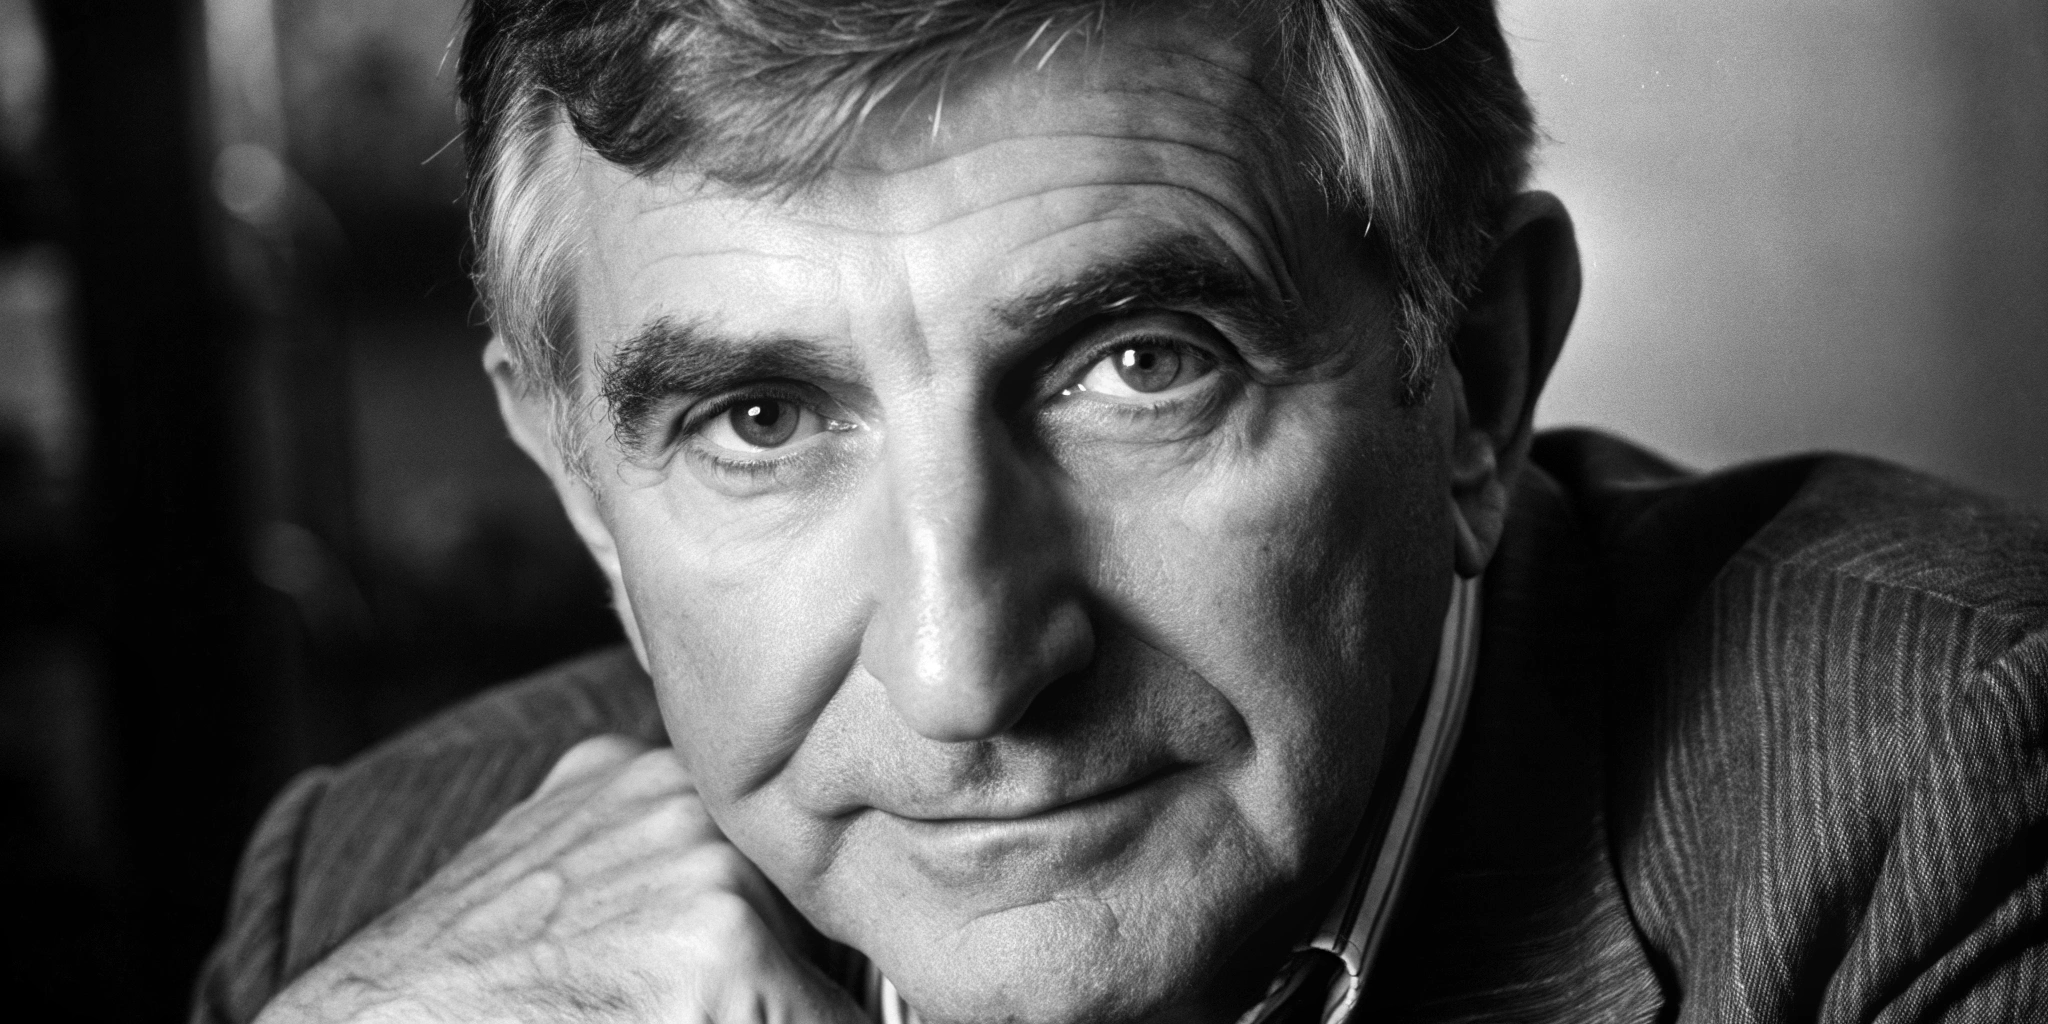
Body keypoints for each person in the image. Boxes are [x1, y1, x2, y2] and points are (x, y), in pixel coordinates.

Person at [192, 1, 2048, 1022]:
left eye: (1140, 366)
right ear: (586, 493)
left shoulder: (1950, 790)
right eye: (758, 419)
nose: (967, 670)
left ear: (1473, 381)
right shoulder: (362, 909)